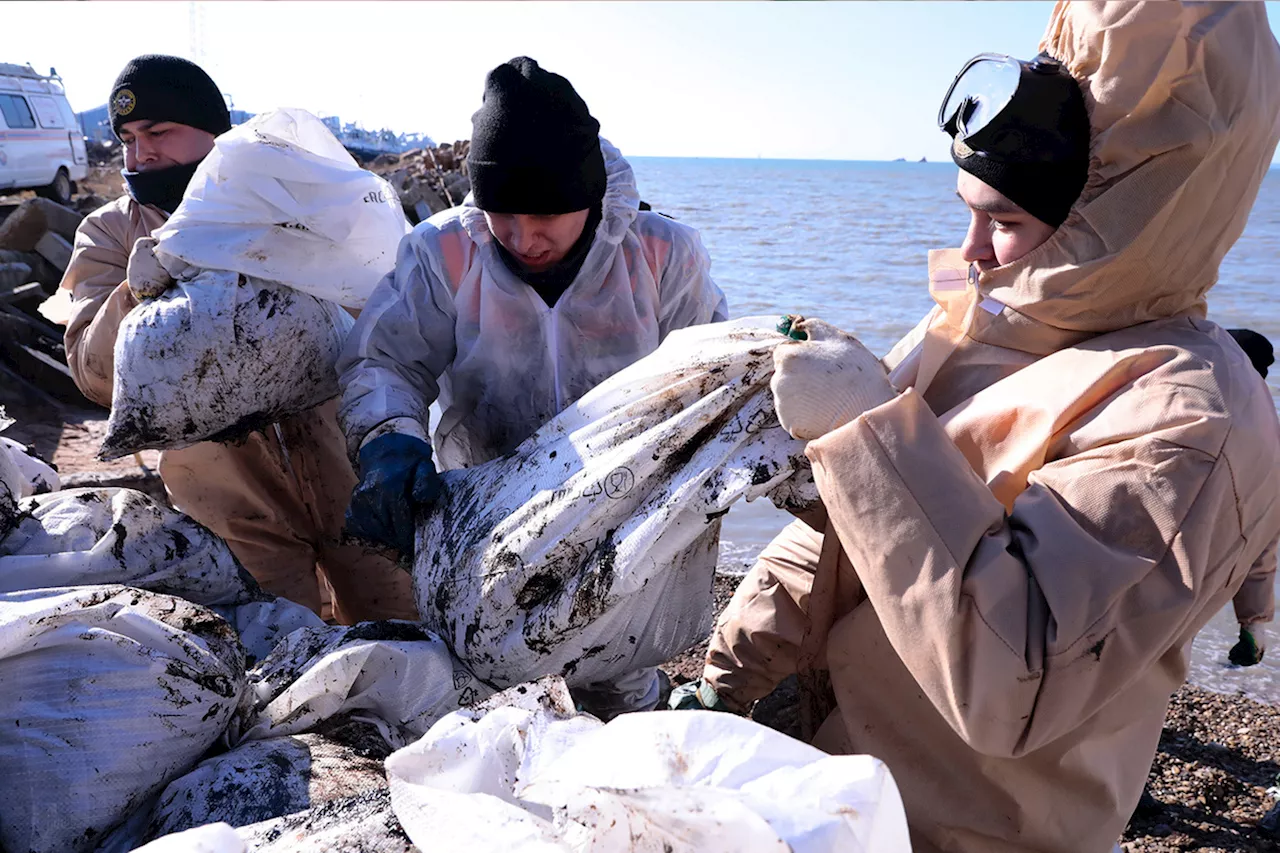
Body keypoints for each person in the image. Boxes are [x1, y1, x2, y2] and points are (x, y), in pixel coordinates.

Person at [673, 4, 1280, 852]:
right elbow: (844, 535)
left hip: (972, 828)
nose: (971, 250)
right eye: (968, 208)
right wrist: (730, 669)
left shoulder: (1190, 415)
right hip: (841, 783)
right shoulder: (981, 318)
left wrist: (863, 431)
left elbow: (1012, 685)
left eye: (1002, 220)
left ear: (1119, 212)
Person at [337, 57, 727, 715]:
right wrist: (390, 440)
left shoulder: (663, 255)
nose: (524, 237)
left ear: (589, 192)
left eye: (547, 213)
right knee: (500, 691)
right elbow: (384, 361)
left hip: (625, 510)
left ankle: (628, 711)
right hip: (491, 510)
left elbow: (713, 377)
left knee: (617, 676)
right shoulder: (444, 254)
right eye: (502, 214)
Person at [58, 55, 415, 623]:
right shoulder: (109, 232)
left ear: (214, 133)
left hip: (351, 480)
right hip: (229, 513)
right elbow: (93, 373)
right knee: (275, 660)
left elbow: (379, 317)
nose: (138, 154)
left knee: (404, 637)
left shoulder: (291, 203)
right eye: (125, 138)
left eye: (158, 132)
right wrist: (138, 292)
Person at [1226, 328, 1276, 667]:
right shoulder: (1269, 435)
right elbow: (1262, 542)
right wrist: (1254, 623)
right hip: (1198, 583)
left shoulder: (1178, 401)